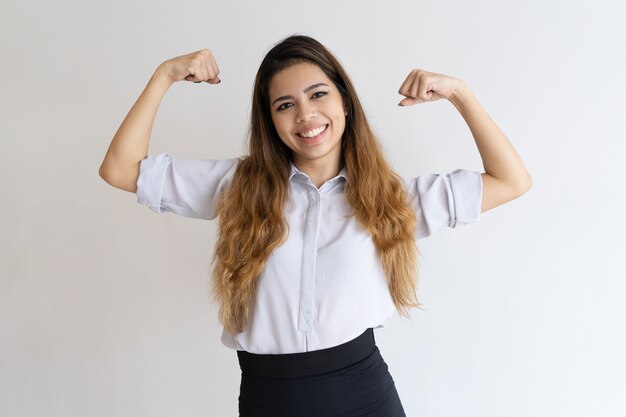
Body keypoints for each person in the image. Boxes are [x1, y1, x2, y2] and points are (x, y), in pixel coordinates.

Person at [99, 35, 532, 417]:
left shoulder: (392, 200)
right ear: (271, 121)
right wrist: (164, 76)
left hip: (364, 396)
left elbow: (511, 181)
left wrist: (460, 94)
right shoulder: (236, 186)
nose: (305, 115)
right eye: (285, 105)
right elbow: (120, 169)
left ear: (344, 101)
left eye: (318, 95)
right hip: (268, 399)